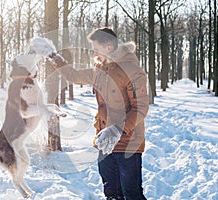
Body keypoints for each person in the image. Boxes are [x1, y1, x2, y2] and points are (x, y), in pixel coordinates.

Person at [50, 27, 149, 200]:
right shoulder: (99, 70)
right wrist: (56, 60)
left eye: (96, 48)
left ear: (108, 48)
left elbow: (140, 107)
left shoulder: (132, 71)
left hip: (127, 143)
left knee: (131, 193)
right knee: (111, 193)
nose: (93, 52)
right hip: (104, 142)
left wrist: (117, 130)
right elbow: (74, 75)